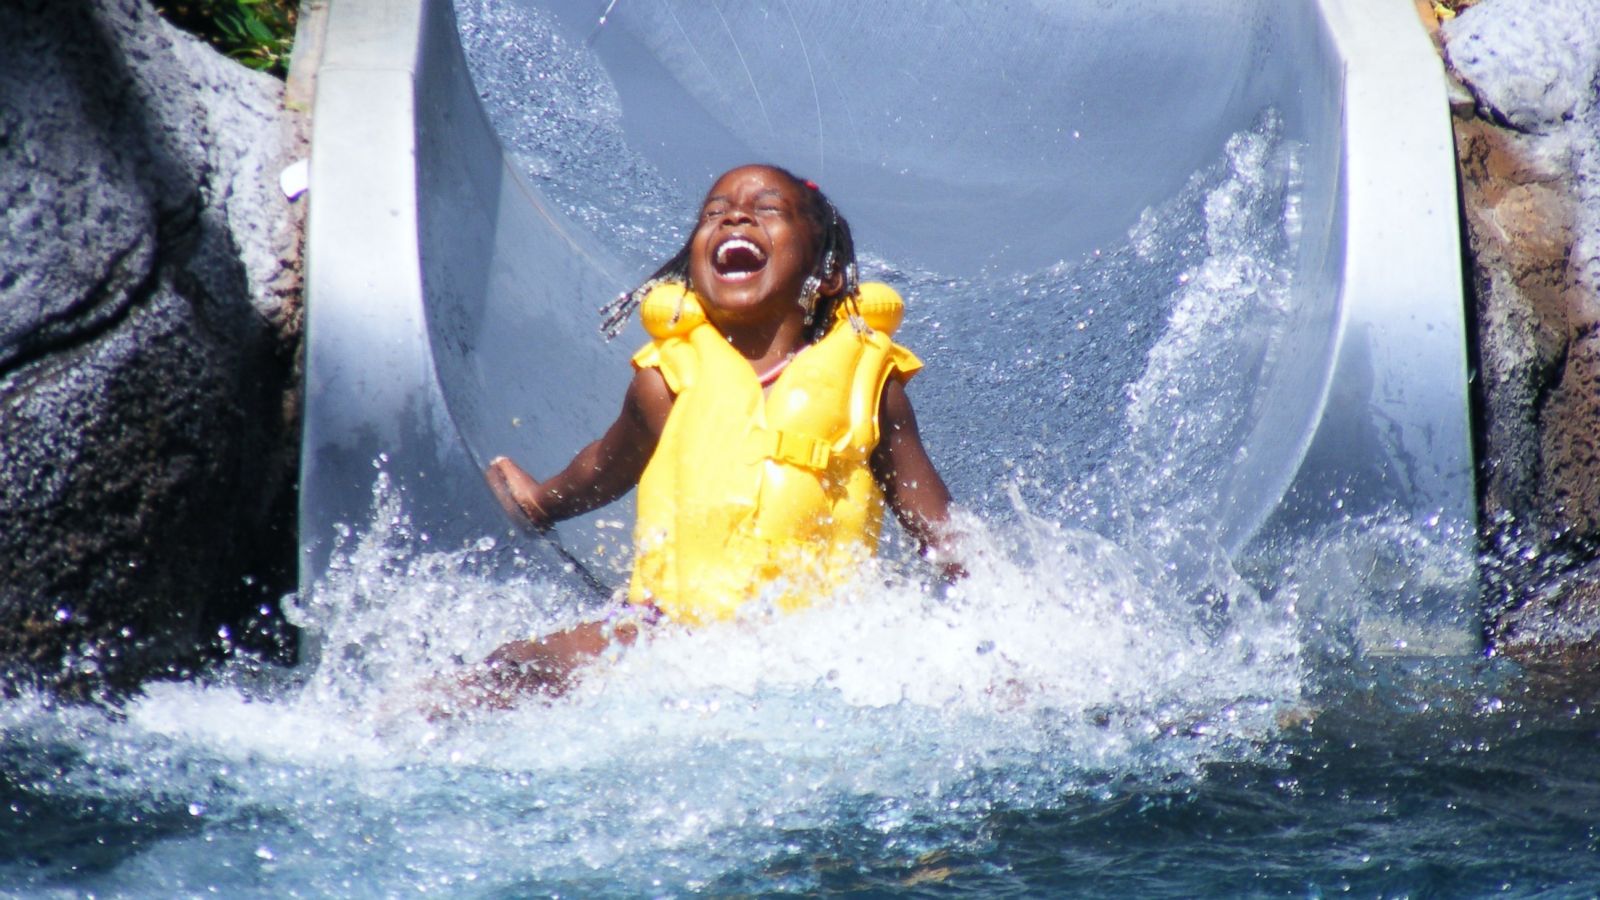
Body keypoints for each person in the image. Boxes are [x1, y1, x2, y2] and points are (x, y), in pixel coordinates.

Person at [452, 164, 960, 710]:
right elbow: (604, 466)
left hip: (817, 638)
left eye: (768, 209)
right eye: (713, 214)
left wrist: (983, 618)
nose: (734, 215)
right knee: (515, 668)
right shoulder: (666, 382)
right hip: (670, 627)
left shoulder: (869, 389)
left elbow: (938, 528)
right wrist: (542, 500)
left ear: (828, 274)